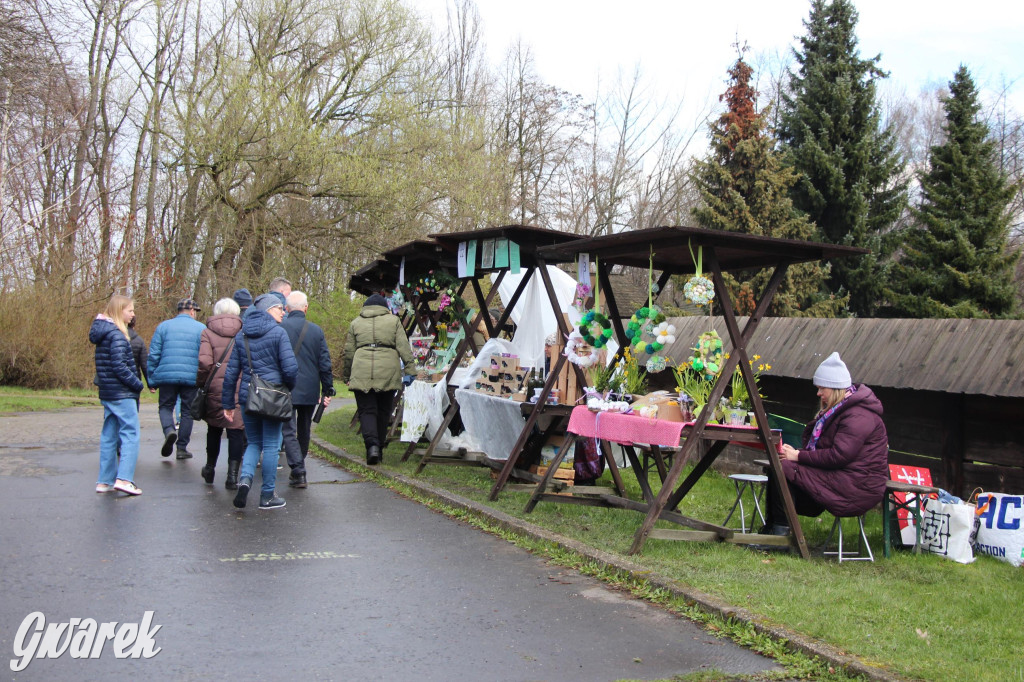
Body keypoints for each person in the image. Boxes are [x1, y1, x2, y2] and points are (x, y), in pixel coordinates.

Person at [762, 352, 889, 536]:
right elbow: (826, 452)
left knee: (785, 468)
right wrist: (797, 453)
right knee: (779, 466)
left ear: (835, 387)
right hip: (843, 477)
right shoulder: (840, 411)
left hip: (857, 485)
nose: (818, 393)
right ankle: (772, 528)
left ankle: (780, 533)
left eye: (822, 388)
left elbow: (839, 455)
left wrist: (798, 456)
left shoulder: (858, 415)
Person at [222, 294, 297, 510]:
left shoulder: (242, 335)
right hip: (272, 398)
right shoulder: (277, 333)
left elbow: (231, 374)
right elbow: (290, 369)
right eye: (279, 308)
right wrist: (285, 389)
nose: (283, 312)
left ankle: (245, 481)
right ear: (268, 310)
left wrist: (228, 403)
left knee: (254, 443)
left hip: (249, 398)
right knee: (272, 445)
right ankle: (266, 495)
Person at [342, 293, 415, 465]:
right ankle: (379, 449)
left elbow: (349, 353)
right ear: (385, 307)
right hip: (388, 369)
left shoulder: (356, 323)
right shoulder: (394, 321)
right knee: (383, 410)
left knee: (367, 411)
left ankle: (372, 447)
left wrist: (347, 375)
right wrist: (410, 369)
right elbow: (403, 346)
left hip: (362, 369)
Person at [90, 294, 145, 496]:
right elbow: (120, 366)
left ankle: (104, 480)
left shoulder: (103, 333)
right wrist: (137, 384)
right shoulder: (117, 335)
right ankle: (124, 479)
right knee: (130, 434)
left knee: (109, 435)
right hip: (122, 393)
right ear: (119, 311)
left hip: (108, 392)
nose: (133, 314)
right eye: (130, 310)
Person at [281, 291, 334, 488]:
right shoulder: (316, 331)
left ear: (286, 308)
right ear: (306, 307)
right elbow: (324, 363)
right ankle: (299, 465)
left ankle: (298, 469)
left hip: (286, 386)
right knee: (304, 428)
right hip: (310, 388)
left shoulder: (279, 328)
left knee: (288, 428)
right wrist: (327, 388)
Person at [148, 298, 206, 459]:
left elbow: (153, 355)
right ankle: (181, 448)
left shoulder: (163, 327)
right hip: (191, 377)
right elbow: (205, 356)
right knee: (187, 411)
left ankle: (169, 430)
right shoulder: (201, 328)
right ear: (192, 312)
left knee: (166, 406)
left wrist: (151, 378)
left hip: (167, 376)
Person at [197, 298, 245, 489]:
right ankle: (232, 476)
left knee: (214, 429)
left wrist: (201, 383)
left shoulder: (207, 332)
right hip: (238, 386)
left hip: (215, 387)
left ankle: (209, 468)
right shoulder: (243, 332)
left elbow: (204, 363)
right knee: (236, 431)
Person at [127, 315, 154, 398]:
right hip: (134, 380)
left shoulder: (112, 337)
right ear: (134, 325)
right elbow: (145, 365)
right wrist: (150, 384)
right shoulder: (139, 341)